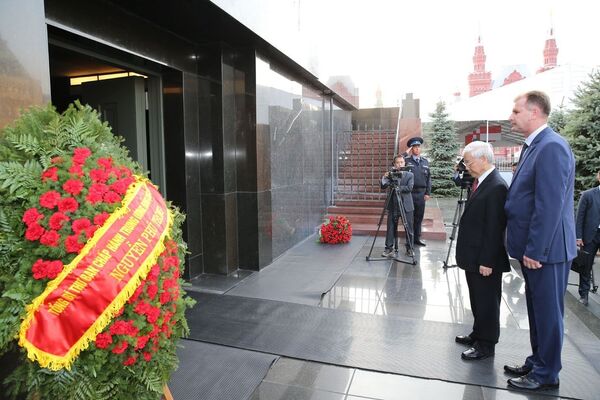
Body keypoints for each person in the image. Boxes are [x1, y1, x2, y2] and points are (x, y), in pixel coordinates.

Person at [503, 91, 576, 391]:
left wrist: (536, 250)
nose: (511, 116)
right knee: (536, 310)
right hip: (536, 249)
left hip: (546, 251)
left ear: (534, 112)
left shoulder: (551, 147)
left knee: (548, 312)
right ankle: (538, 360)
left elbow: (549, 206)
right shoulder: (535, 146)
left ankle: (546, 374)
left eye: (516, 111)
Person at [454, 141, 510, 361]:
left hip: (485, 258)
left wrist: (488, 260)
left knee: (487, 301)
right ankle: (478, 333)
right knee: (477, 298)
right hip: (473, 255)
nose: (466, 166)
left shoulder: (496, 186)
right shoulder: (481, 182)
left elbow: (495, 228)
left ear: (484, 159)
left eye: (468, 161)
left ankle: (486, 344)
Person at [381, 156, 414, 257]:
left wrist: (396, 186)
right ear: (394, 164)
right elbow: (383, 186)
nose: (400, 164)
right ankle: (389, 248)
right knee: (390, 227)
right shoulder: (390, 175)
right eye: (397, 163)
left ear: (405, 163)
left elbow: (409, 188)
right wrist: (385, 177)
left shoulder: (410, 174)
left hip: (406, 205)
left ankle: (410, 248)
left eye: (401, 162)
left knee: (408, 228)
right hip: (393, 204)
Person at [575, 170, 600, 306]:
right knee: (586, 266)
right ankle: (584, 295)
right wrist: (578, 236)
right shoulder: (588, 195)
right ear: (598, 177)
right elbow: (579, 217)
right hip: (590, 236)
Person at [404, 137, 431, 246]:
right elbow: (396, 162)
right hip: (409, 193)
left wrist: (428, 193)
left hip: (421, 194)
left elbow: (429, 178)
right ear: (411, 149)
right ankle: (409, 240)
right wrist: (405, 154)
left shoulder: (425, 161)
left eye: (418, 147)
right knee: (409, 218)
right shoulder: (406, 161)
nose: (417, 149)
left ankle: (417, 238)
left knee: (419, 217)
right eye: (414, 147)